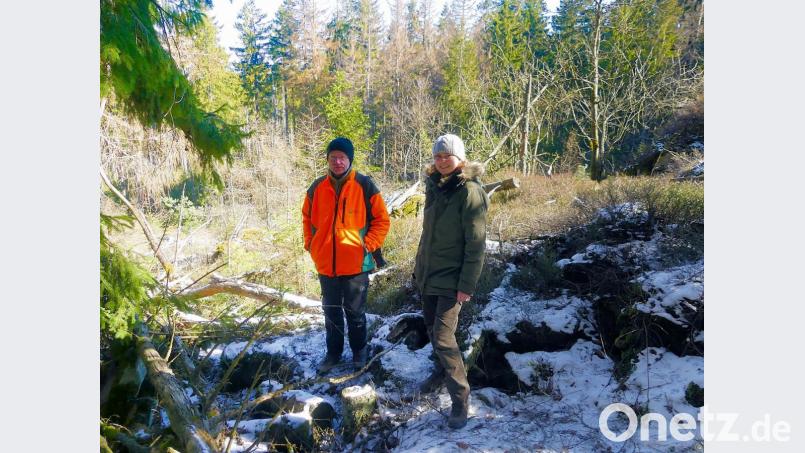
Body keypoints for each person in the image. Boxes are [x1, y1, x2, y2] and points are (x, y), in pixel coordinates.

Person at [413, 133, 488, 429]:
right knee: (433, 331)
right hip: (430, 275)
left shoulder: (469, 192)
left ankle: (460, 399)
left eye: (449, 156)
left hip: (452, 279)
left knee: (444, 337)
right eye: (439, 156)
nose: (443, 161)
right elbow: (427, 237)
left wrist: (466, 285)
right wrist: (419, 270)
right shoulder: (435, 187)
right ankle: (440, 374)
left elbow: (476, 244)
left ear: (461, 159)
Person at [302, 137, 390, 374]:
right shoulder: (317, 187)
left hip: (356, 262)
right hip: (325, 263)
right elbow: (307, 218)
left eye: (342, 157)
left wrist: (368, 245)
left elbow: (382, 220)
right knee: (331, 311)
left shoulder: (364, 185)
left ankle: (359, 352)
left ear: (349, 159)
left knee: (355, 312)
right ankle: (333, 353)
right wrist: (311, 244)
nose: (338, 162)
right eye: (333, 158)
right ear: (328, 160)